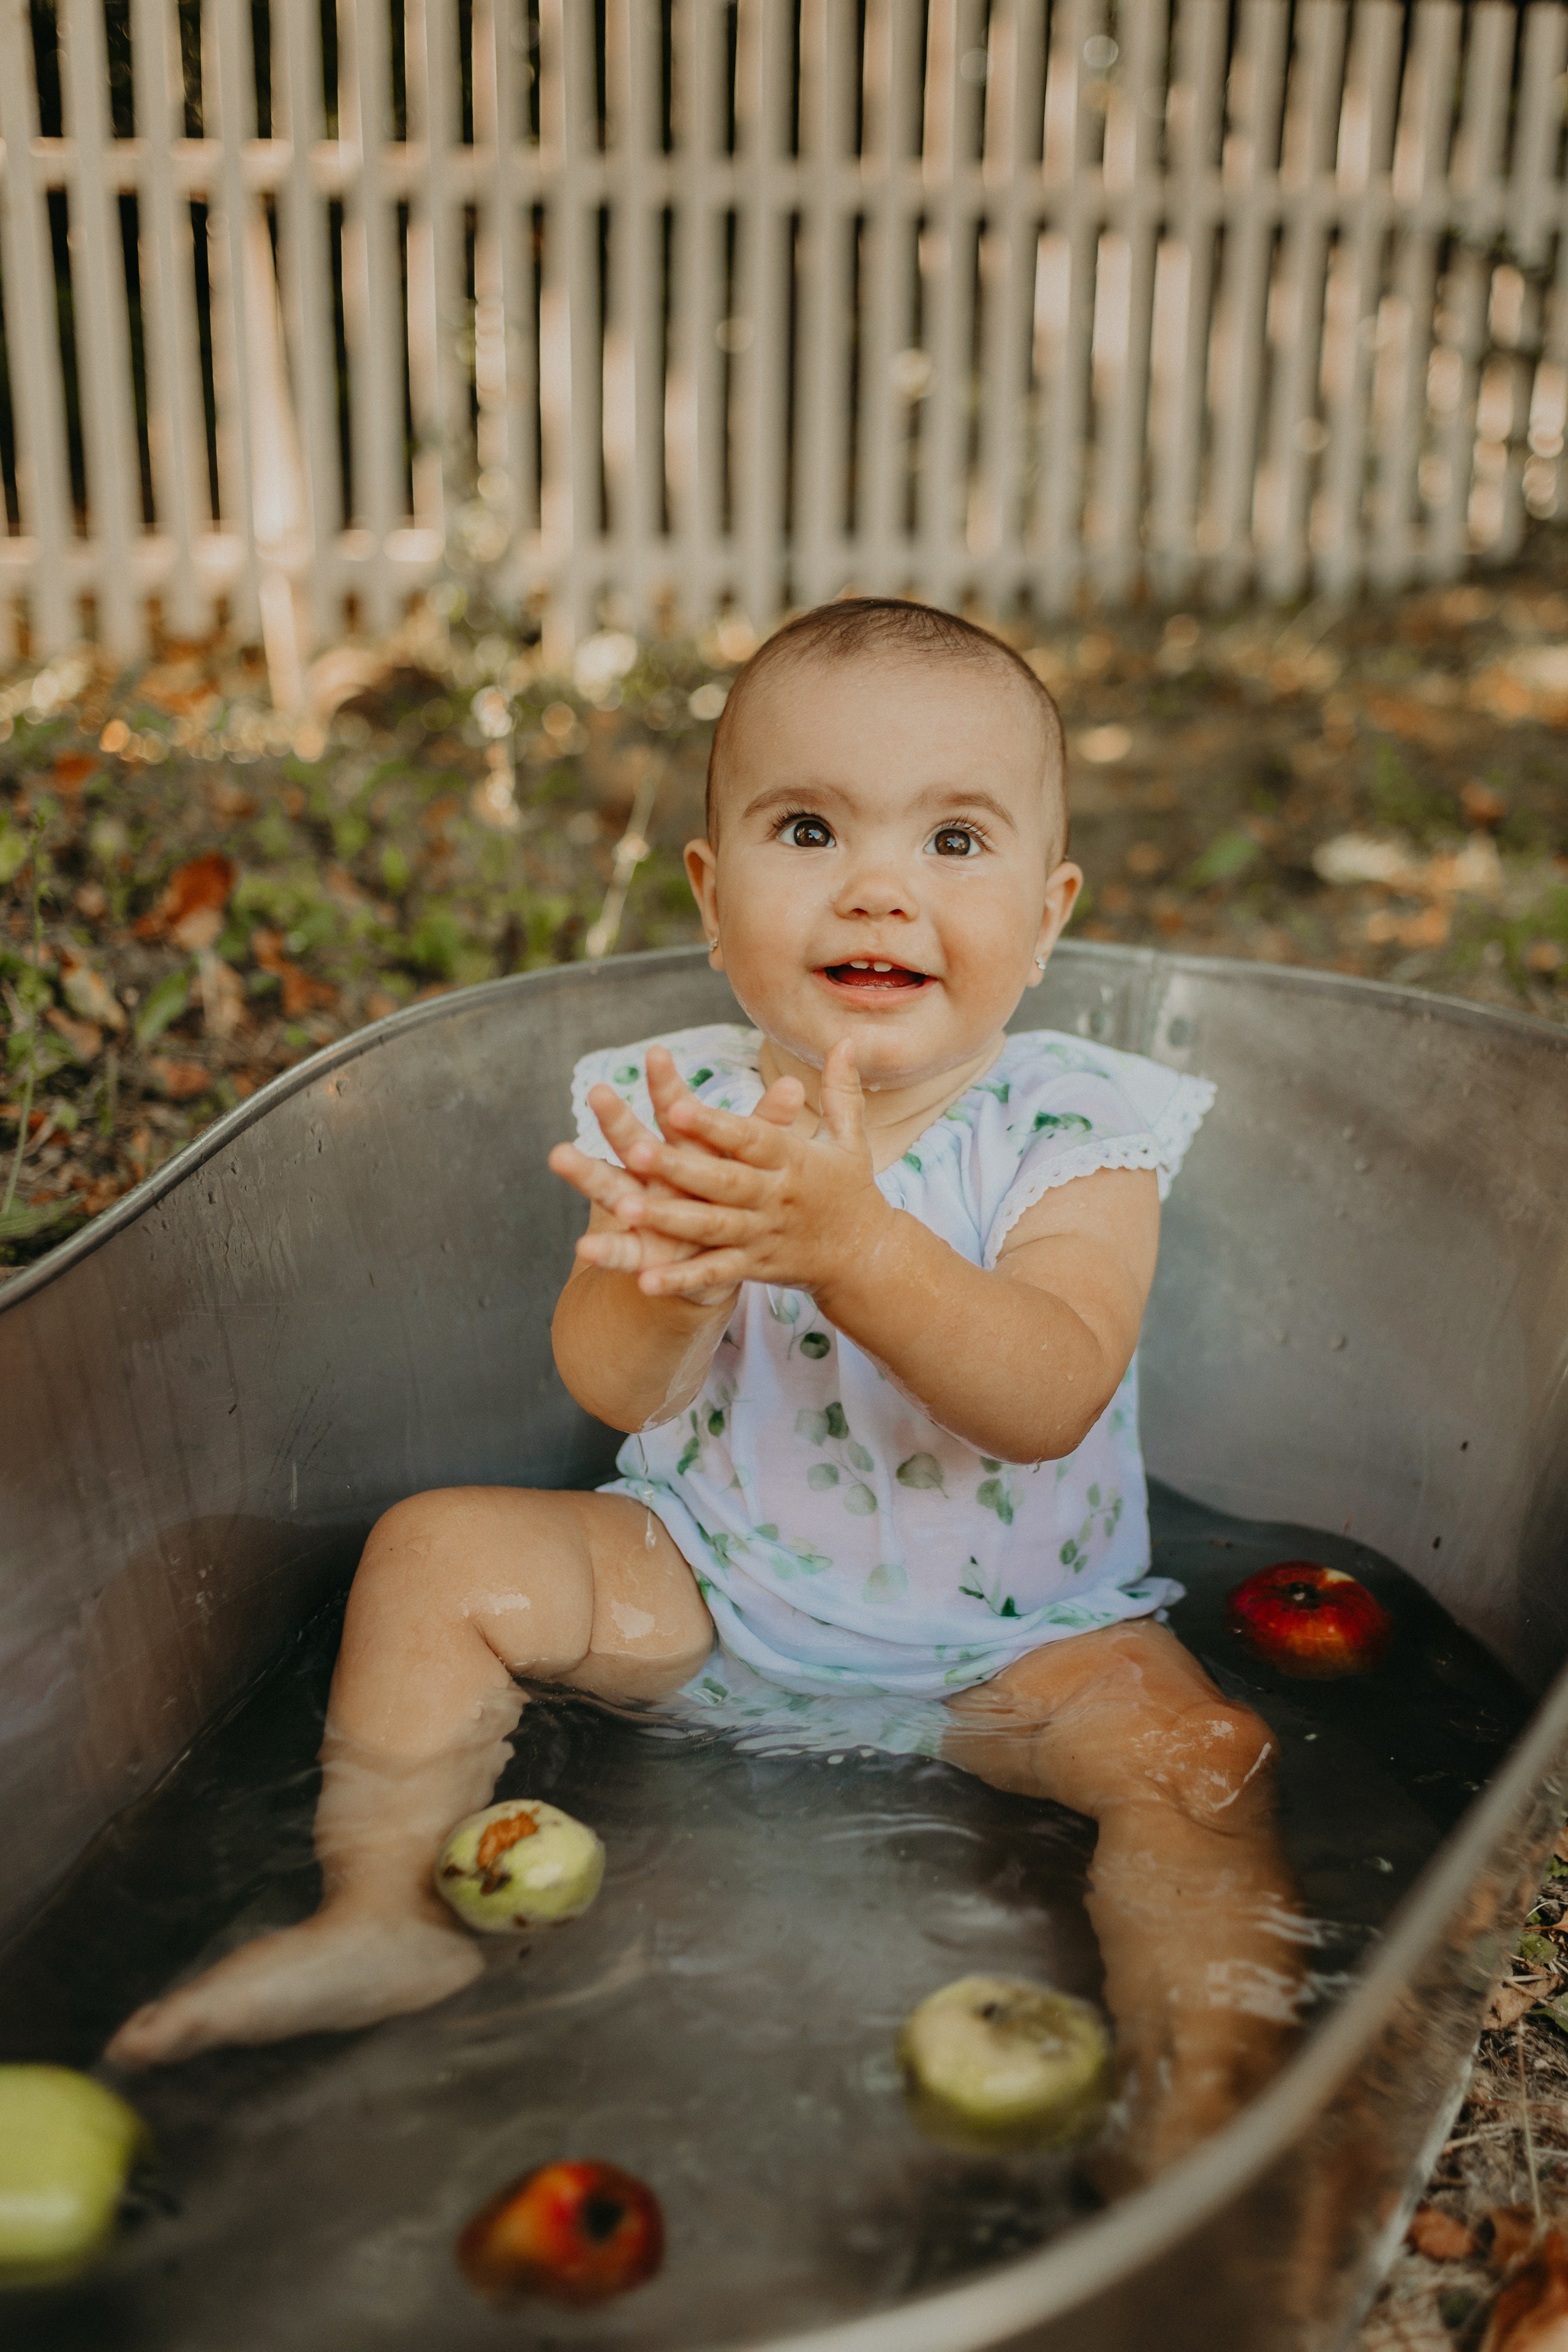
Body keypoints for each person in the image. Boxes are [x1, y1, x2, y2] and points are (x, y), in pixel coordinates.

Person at [109, 600, 1302, 2175]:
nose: (878, 884)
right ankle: (381, 1907)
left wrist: (851, 1244)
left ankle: (1200, 2097)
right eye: (807, 827)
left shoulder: (1077, 1126)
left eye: (956, 839)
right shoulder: (673, 1106)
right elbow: (615, 1390)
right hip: (716, 1592)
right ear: (710, 890)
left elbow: (1048, 1390)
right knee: (436, 1554)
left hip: (1027, 1648)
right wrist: (668, 1269)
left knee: (1199, 1770)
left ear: (1047, 912)